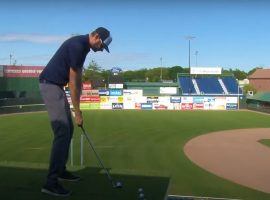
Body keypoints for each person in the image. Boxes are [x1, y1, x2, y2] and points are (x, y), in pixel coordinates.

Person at [39, 27, 112, 197]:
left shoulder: (84, 47)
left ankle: (61, 170)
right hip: (50, 84)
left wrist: (77, 105)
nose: (101, 49)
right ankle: (51, 182)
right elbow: (72, 82)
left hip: (56, 85)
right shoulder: (78, 46)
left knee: (68, 129)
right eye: (102, 45)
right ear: (95, 36)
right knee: (63, 131)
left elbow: (77, 78)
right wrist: (77, 111)